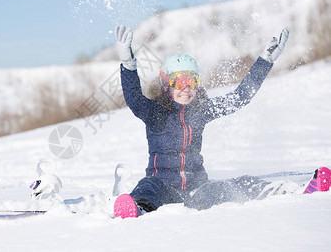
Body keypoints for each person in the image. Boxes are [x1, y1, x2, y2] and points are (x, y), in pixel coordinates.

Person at [113, 24, 291, 219]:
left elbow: (240, 97)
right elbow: (134, 98)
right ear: (166, 85)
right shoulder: (155, 112)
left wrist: (265, 62)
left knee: (236, 184)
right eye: (180, 82)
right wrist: (128, 63)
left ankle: (285, 192)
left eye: (192, 82)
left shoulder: (201, 110)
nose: (187, 88)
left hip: (197, 189)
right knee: (147, 186)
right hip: (162, 185)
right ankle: (137, 208)